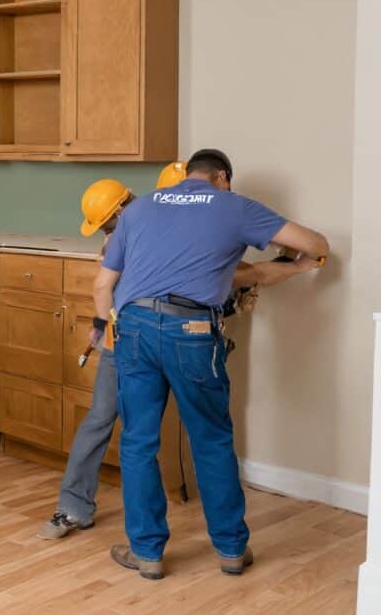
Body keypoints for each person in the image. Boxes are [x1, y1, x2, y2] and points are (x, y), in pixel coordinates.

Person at [37, 165, 320, 540]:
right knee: (118, 424)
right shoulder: (134, 230)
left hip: (151, 338)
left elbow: (231, 273)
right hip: (132, 342)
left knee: (151, 436)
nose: (109, 229)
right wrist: (291, 265)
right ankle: (75, 507)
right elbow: (106, 285)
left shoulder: (157, 221)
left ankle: (153, 537)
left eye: (109, 221)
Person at [95, 149, 328, 580]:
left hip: (135, 327)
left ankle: (147, 554)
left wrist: (110, 329)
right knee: (211, 440)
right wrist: (302, 263)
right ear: (222, 177)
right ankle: (231, 552)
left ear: (187, 175)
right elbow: (315, 245)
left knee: (139, 442)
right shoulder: (234, 206)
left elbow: (103, 284)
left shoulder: (141, 206)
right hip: (192, 333)